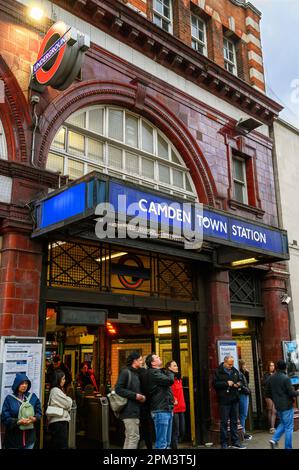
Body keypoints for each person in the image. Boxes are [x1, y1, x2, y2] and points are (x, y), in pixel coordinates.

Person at [1, 372, 42, 449]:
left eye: (26, 383)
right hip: (13, 441)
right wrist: (18, 421)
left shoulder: (32, 397)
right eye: (22, 383)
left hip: (29, 439)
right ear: (16, 384)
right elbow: (5, 418)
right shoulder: (9, 399)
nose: (24, 385)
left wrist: (35, 418)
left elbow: (39, 412)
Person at [115, 351, 146, 449]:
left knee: (130, 437)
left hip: (134, 410)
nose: (142, 362)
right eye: (140, 360)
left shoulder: (136, 373)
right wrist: (135, 396)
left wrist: (140, 397)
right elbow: (118, 389)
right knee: (133, 437)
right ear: (134, 361)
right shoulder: (126, 372)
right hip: (129, 411)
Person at [214, 355, 246, 449]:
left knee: (234, 421)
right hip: (224, 401)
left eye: (232, 364)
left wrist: (239, 384)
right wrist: (226, 383)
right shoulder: (218, 371)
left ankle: (235, 442)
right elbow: (215, 384)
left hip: (234, 399)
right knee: (224, 422)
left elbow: (241, 381)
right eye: (229, 364)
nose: (231, 366)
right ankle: (224, 443)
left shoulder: (235, 370)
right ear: (224, 362)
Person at [267, 359, 299, 449]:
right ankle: (288, 448)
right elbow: (291, 393)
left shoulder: (271, 378)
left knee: (283, 423)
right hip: (287, 406)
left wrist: (275, 399)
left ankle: (274, 439)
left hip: (278, 406)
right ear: (285, 367)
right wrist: (297, 391)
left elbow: (267, 393)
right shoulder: (286, 378)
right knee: (289, 427)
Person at [145, 353, 174, 449]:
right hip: (160, 410)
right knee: (162, 443)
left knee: (167, 443)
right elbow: (170, 381)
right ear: (153, 363)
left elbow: (166, 390)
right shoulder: (153, 373)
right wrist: (170, 371)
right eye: (157, 357)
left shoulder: (159, 372)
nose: (160, 357)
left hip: (166, 409)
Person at [47, 369, 73, 449]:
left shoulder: (56, 390)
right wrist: (69, 399)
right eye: (63, 379)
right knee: (61, 445)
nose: (64, 381)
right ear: (58, 379)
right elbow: (68, 404)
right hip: (58, 422)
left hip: (58, 422)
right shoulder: (56, 391)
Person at [165, 360, 186, 449]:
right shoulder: (169, 380)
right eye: (174, 366)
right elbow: (167, 392)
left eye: (176, 365)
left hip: (181, 408)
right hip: (174, 409)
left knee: (182, 431)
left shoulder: (179, 379)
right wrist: (173, 398)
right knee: (175, 432)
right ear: (169, 368)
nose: (177, 367)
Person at [238, 359, 252, 441]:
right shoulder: (239, 373)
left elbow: (247, 382)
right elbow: (242, 385)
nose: (245, 366)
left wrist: (247, 373)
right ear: (241, 366)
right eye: (244, 365)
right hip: (243, 395)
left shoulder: (242, 373)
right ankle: (242, 432)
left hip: (244, 394)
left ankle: (243, 431)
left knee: (244, 414)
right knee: (243, 414)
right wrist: (247, 390)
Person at [262, 361, 277, 433]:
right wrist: (271, 377)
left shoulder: (276, 373)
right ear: (268, 367)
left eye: (273, 366)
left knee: (274, 411)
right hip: (268, 394)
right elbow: (264, 383)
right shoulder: (265, 374)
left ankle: (272, 427)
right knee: (270, 409)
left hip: (275, 394)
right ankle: (270, 427)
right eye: (271, 366)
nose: (272, 367)